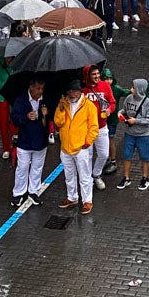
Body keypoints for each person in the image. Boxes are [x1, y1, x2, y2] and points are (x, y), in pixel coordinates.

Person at [54, 82, 98, 214]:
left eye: (74, 91)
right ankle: (72, 197)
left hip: (81, 148)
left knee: (84, 176)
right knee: (69, 174)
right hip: (65, 148)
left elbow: (94, 127)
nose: (72, 94)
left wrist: (87, 142)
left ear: (80, 91)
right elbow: (58, 122)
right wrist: (61, 110)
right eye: (70, 91)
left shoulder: (89, 106)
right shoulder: (63, 104)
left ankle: (87, 201)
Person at [10, 77, 48, 206]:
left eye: (42, 88)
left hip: (41, 141)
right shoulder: (21, 100)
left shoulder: (45, 101)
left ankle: (33, 191)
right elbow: (14, 118)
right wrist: (26, 117)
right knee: (22, 167)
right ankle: (18, 193)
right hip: (25, 141)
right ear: (31, 87)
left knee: (37, 167)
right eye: (38, 88)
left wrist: (45, 115)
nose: (40, 91)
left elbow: (51, 119)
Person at [117, 79, 149, 191]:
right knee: (126, 155)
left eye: (133, 87)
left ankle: (145, 178)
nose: (131, 89)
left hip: (142, 134)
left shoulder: (148, 103)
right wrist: (120, 113)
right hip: (129, 133)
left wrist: (136, 121)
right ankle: (126, 177)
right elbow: (124, 110)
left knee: (145, 157)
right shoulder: (128, 98)